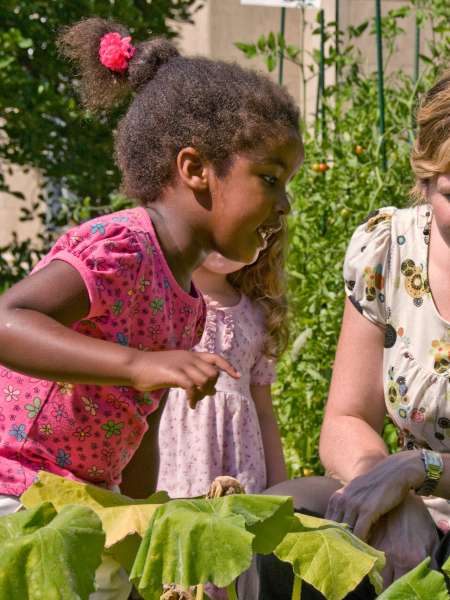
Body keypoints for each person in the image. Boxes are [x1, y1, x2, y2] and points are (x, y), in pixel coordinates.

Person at [0, 17, 303, 600]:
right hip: (18, 495)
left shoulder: (186, 299)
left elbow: (141, 430)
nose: (283, 203)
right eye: (269, 178)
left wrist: (140, 523)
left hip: (88, 510)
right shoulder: (122, 247)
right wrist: (138, 364)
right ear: (194, 169)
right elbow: (9, 321)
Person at [238, 70, 450, 600]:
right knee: (276, 527)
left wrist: (417, 471)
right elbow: (346, 418)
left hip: (424, 486)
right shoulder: (392, 249)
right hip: (414, 503)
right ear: (425, 179)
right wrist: (388, 491)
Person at [157, 223, 288, 499]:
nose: (226, 239)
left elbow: (264, 410)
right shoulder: (162, 302)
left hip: (240, 463)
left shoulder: (259, 316)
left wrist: (280, 488)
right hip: (174, 458)